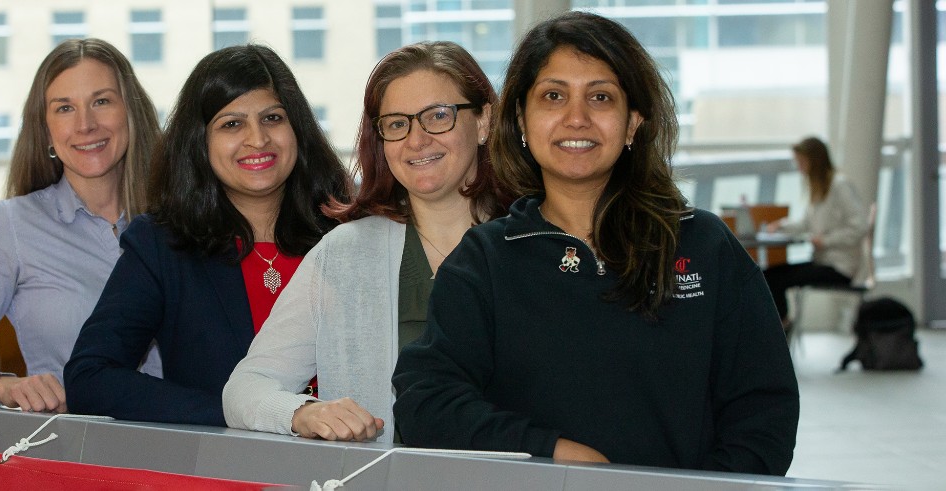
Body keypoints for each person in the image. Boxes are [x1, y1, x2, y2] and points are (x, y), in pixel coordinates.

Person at [391, 11, 799, 475]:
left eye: (600, 97)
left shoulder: (703, 244)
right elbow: (428, 401)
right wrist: (552, 453)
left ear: (632, 123)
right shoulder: (485, 259)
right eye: (553, 96)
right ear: (521, 119)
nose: (576, 118)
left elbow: (764, 410)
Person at [223, 41, 515, 443]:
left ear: (484, 122)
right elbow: (245, 388)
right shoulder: (343, 254)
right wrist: (303, 413)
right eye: (397, 124)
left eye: (438, 116)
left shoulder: (534, 242)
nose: (417, 140)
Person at [64, 44, 351, 426]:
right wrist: (246, 413)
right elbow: (90, 378)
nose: (258, 139)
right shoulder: (161, 245)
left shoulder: (348, 233)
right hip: (228, 472)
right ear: (199, 142)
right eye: (231, 124)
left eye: (272, 118)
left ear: (298, 128)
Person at [0, 39, 161, 413]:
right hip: (75, 455)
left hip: (190, 449)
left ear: (132, 113)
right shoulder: (9, 227)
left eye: (102, 101)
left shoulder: (181, 225)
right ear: (45, 131)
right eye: (64, 108)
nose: (85, 124)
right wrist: (2, 387)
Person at [763, 136, 869, 328]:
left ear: (815, 161)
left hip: (839, 266)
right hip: (824, 260)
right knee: (770, 274)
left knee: (775, 279)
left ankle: (782, 326)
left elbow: (860, 226)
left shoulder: (840, 185)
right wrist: (781, 226)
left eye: (801, 162)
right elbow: (806, 223)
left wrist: (827, 241)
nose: (799, 167)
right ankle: (781, 324)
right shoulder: (819, 189)